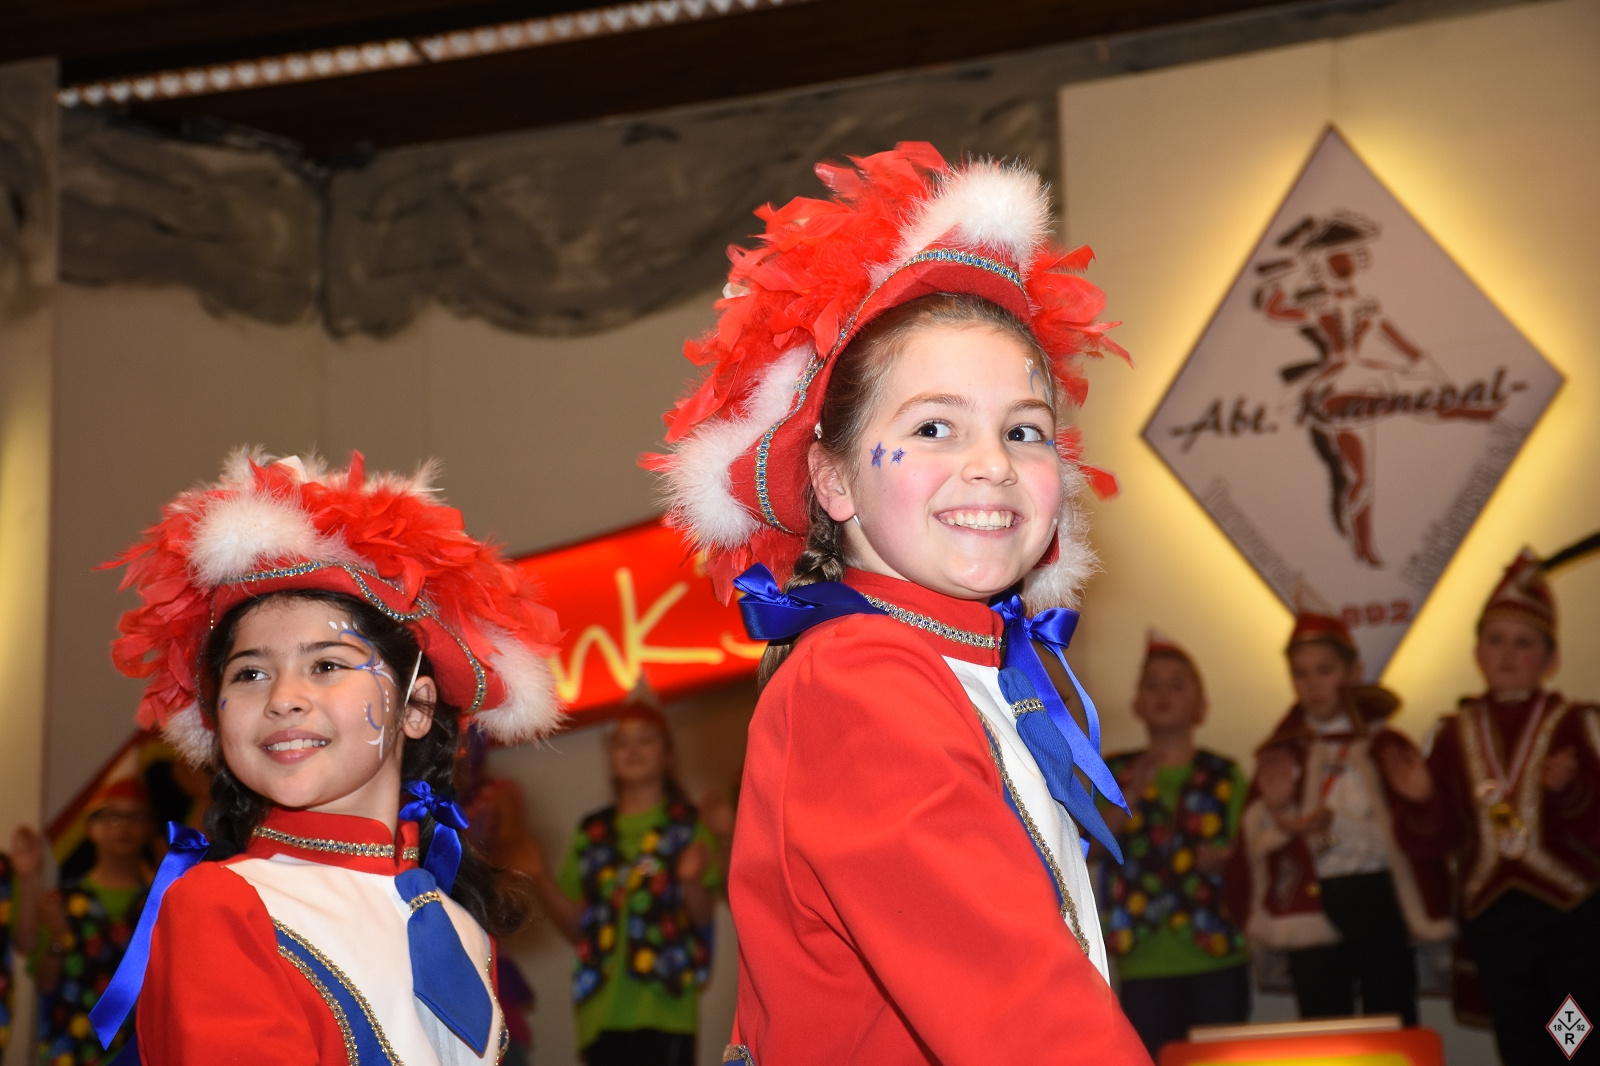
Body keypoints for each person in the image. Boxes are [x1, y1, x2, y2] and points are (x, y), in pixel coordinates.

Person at [647, 142, 1149, 1063]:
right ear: (834, 481)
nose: (992, 463)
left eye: (1024, 431)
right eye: (934, 426)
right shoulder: (859, 682)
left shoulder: (969, 670)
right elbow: (1020, 1014)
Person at [93, 449, 563, 1064]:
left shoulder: (461, 926)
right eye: (250, 673)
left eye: (327, 665)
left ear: (416, 707)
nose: (283, 698)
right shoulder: (222, 904)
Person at [1388, 550, 1600, 1064]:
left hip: (1567, 917)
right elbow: (1437, 839)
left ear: (1550, 659)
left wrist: (1566, 791)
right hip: (1494, 918)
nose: (1507, 653)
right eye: (1496, 640)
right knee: (1519, 1037)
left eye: (1524, 643)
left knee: (1575, 1039)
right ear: (1478, 652)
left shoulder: (1577, 724)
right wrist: (1421, 800)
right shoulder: (1450, 734)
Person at [1228, 612, 1450, 1027]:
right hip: (1312, 904)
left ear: (1354, 671)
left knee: (1391, 1018)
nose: (1312, 685)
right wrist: (1279, 813)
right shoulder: (1283, 750)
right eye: (1300, 674)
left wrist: (1422, 800)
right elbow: (1253, 844)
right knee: (1324, 1025)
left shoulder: (1385, 745)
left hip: (1378, 896)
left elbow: (1427, 833)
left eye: (1325, 670)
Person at [521, 709, 721, 1066]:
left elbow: (703, 917)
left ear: (668, 754)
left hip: (666, 1006)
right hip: (600, 1012)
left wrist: (690, 880)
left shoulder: (690, 825)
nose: (633, 750)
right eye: (621, 742)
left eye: (646, 739)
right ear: (610, 757)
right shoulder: (591, 831)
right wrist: (541, 877)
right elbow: (580, 927)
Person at [1100, 632, 1250, 1056]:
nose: (1164, 693)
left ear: (1201, 706)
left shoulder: (1225, 773)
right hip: (1143, 959)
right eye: (1153, 685)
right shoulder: (1114, 771)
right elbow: (1086, 847)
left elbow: (1248, 856)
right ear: (1137, 704)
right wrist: (1129, 796)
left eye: (1177, 684)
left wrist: (1223, 861)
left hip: (1216, 952)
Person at [36, 780, 155, 1065]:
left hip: (139, 1049)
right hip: (71, 1047)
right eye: (112, 817)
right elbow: (44, 983)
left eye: (134, 817)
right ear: (91, 828)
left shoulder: (161, 900)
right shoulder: (60, 901)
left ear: (150, 828)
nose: (123, 827)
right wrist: (57, 937)